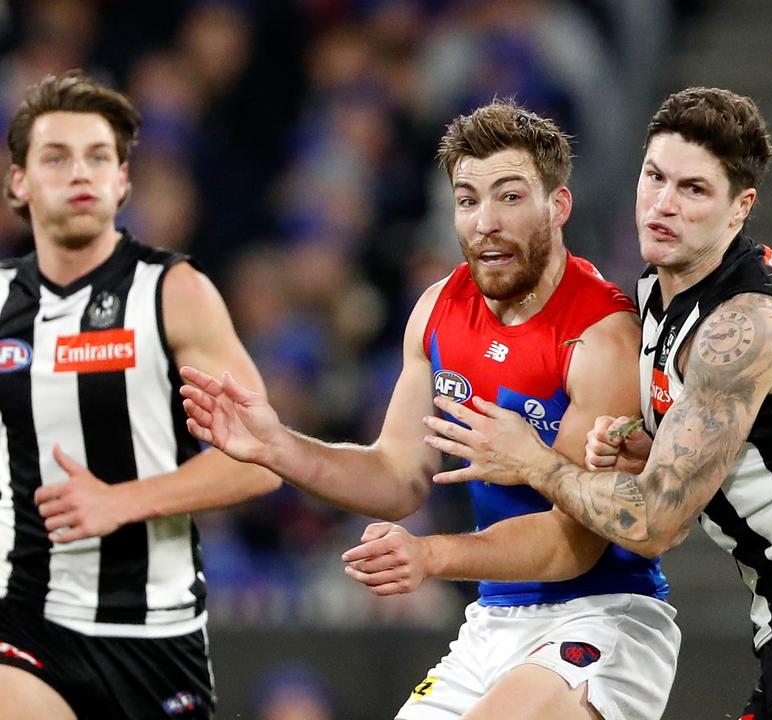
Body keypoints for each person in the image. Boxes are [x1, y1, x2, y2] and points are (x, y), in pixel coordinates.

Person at [421, 87, 772, 719]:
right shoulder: (659, 296)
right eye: (654, 177)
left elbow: (655, 525)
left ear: (740, 209)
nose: (663, 204)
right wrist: (651, 443)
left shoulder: (745, 324)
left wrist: (535, 462)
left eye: (694, 190)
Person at [180, 101, 678, 720]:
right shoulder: (439, 310)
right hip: (493, 623)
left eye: (510, 197)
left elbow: (571, 544)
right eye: (468, 199)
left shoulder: (602, 337)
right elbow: (396, 476)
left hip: (604, 617)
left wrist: (430, 556)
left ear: (559, 206)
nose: (485, 222)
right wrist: (277, 445)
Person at [0, 71, 280, 720]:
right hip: (23, 619)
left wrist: (123, 502)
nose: (81, 173)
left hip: (156, 635)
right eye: (56, 157)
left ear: (123, 182)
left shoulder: (172, 293)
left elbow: (265, 458)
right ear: (19, 181)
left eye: (99, 157)